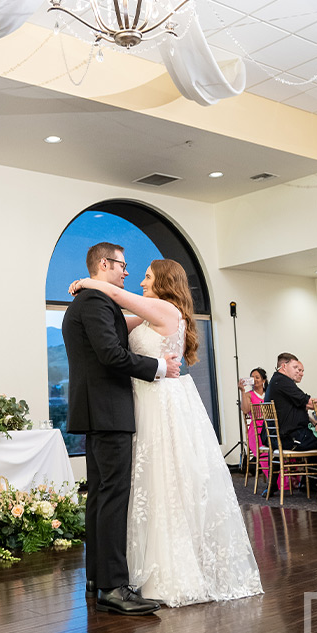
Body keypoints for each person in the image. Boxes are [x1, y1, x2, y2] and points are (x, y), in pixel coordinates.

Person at [70, 258, 262, 607]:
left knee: (164, 480)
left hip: (161, 400)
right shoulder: (147, 315)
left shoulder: (164, 309)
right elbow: (114, 326)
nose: (140, 280)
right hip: (142, 400)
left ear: (163, 281)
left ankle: (159, 571)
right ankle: (111, 574)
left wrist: (89, 282)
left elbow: (117, 295)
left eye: (146, 276)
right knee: (144, 483)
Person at [63, 242, 180, 616]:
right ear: (104, 263)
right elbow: (112, 355)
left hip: (96, 411)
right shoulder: (95, 302)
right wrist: (159, 368)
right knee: (112, 498)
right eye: (122, 265)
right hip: (108, 410)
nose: (127, 272)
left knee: (99, 496)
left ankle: (98, 578)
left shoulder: (92, 301)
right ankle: (114, 587)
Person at [264, 352, 317, 451]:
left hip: (279, 436)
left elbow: (301, 406)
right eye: (295, 368)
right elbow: (309, 403)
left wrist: (314, 422)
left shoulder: (278, 380)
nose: (300, 373)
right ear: (284, 366)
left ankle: (308, 466)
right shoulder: (282, 381)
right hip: (286, 438)